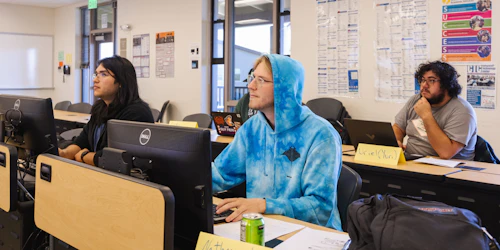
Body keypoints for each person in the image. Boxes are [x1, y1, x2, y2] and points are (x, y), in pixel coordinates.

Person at [212, 54, 343, 231]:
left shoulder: (321, 134)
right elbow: (220, 173)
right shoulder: (252, 129)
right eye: (252, 78)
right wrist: (177, 177)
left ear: (285, 88)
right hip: (262, 227)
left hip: (311, 234)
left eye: (261, 80)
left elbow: (320, 208)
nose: (251, 86)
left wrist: (265, 206)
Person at [58, 55, 154, 166]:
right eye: (96, 74)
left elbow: (117, 158)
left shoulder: (137, 112)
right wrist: (64, 153)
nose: (95, 80)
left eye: (104, 74)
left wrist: (85, 156)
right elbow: (82, 141)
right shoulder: (100, 108)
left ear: (121, 82)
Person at [393, 61, 477, 160]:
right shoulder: (416, 100)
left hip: (448, 169)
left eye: (431, 80)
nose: (424, 85)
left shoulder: (463, 111)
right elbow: (398, 127)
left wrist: (426, 116)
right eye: (422, 80)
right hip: (412, 162)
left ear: (446, 84)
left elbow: (446, 153)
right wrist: (397, 141)